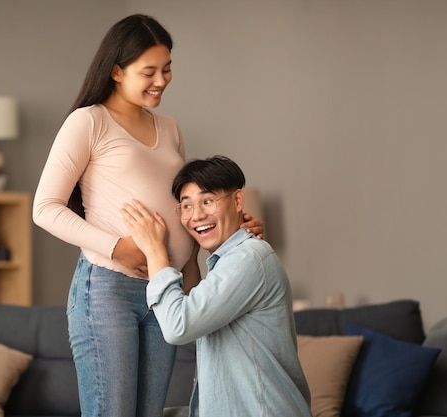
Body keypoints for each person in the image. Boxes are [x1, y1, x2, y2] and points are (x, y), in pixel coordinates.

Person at [33, 15, 264, 417]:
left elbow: (186, 208)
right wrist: (115, 247)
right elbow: (44, 208)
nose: (161, 80)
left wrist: (231, 234)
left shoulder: (170, 128)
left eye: (167, 68)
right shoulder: (89, 122)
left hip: (167, 288)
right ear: (117, 72)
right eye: (149, 71)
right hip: (108, 289)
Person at [121, 155, 312, 417]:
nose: (197, 215)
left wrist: (155, 250)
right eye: (186, 206)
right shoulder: (228, 261)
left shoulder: (249, 258)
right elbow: (195, 303)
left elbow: (179, 325)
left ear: (237, 201)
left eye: (207, 201)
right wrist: (188, 252)